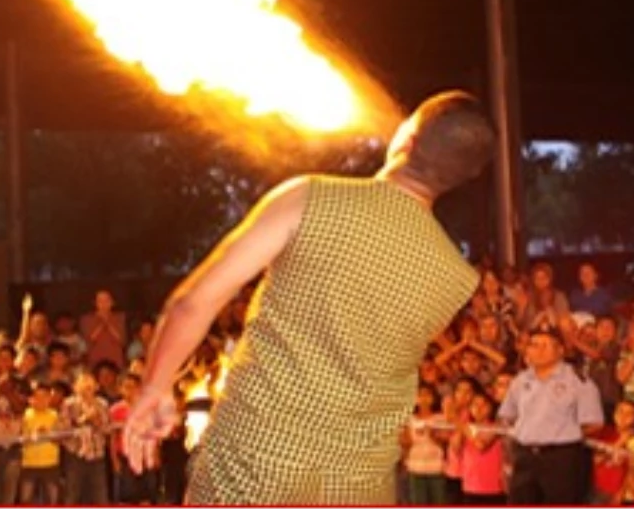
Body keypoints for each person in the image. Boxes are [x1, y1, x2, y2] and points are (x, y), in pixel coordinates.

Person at [123, 91, 496, 504]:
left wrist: (154, 389)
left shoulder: (309, 197)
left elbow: (193, 303)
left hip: (255, 465)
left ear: (406, 139)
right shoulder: (456, 278)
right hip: (359, 484)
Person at [499, 328, 604, 504]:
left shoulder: (577, 381)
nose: (538, 350)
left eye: (545, 345)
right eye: (534, 345)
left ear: (560, 350)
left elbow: (593, 423)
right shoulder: (520, 380)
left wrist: (562, 434)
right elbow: (507, 415)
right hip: (525, 456)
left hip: (560, 458)